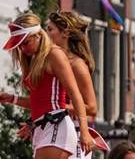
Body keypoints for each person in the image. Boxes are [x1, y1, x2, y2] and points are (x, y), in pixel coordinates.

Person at [0, 13, 94, 159]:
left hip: (56, 126)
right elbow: (40, 101)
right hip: (43, 129)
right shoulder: (36, 60)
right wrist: (11, 99)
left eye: (25, 43)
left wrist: (84, 132)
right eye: (19, 46)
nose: (22, 49)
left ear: (38, 35)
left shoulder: (54, 54)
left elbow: (75, 95)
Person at [45, 11, 105, 158]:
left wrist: (58, 107)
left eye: (50, 30)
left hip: (75, 132)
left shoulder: (77, 65)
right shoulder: (51, 62)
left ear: (65, 33)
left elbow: (92, 108)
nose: (46, 35)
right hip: (54, 129)